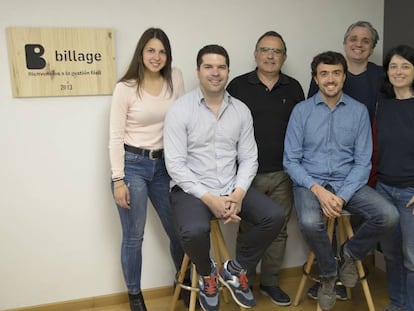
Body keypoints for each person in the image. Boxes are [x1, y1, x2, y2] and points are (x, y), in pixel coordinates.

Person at [164, 44, 285, 311]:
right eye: (208, 66)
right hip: (191, 190)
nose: (215, 73)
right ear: (198, 71)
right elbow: (175, 165)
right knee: (194, 231)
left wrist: (238, 193)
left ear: (228, 71)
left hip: (231, 186)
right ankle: (208, 274)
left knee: (274, 217)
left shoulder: (241, 110)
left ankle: (234, 268)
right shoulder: (180, 110)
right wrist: (210, 199)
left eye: (221, 67)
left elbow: (249, 157)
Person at [283, 51, 399, 311]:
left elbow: (363, 162)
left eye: (336, 73)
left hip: (348, 182)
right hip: (309, 183)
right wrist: (319, 191)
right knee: (311, 222)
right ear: (316, 78)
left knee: (388, 215)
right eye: (324, 73)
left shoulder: (358, 112)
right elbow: (291, 160)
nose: (330, 79)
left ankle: (349, 253)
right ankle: (328, 273)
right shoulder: (301, 112)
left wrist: (342, 196)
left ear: (344, 77)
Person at [306, 21, 384, 301]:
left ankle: (345, 259)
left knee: (367, 216)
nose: (359, 43)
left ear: (372, 47)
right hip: (321, 171)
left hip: (364, 162)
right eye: (354, 38)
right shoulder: (324, 78)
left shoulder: (380, 77)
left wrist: (346, 189)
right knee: (317, 220)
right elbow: (310, 123)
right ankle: (330, 275)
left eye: (366, 40)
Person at [108, 28, 185, 311]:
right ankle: (134, 295)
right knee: (134, 236)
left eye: (162, 51)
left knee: (179, 231)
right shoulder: (125, 87)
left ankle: (184, 281)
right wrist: (118, 180)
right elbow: (115, 137)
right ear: (141, 52)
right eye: (151, 50)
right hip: (133, 167)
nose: (157, 56)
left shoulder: (175, 77)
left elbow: (182, 121)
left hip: (167, 166)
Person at [226, 30, 304, 306]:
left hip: (284, 173)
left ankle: (270, 282)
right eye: (265, 50)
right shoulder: (237, 86)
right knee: (249, 229)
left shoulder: (294, 88)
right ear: (255, 54)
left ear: (284, 56)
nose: (270, 56)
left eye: (277, 51)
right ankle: (241, 281)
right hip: (247, 176)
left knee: (279, 229)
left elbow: (300, 130)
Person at [375, 44, 414, 311]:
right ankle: (397, 304)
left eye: (406, 66)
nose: (398, 71)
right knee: (390, 254)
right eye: (393, 66)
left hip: (410, 194)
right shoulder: (383, 106)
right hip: (383, 190)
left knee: (412, 258)